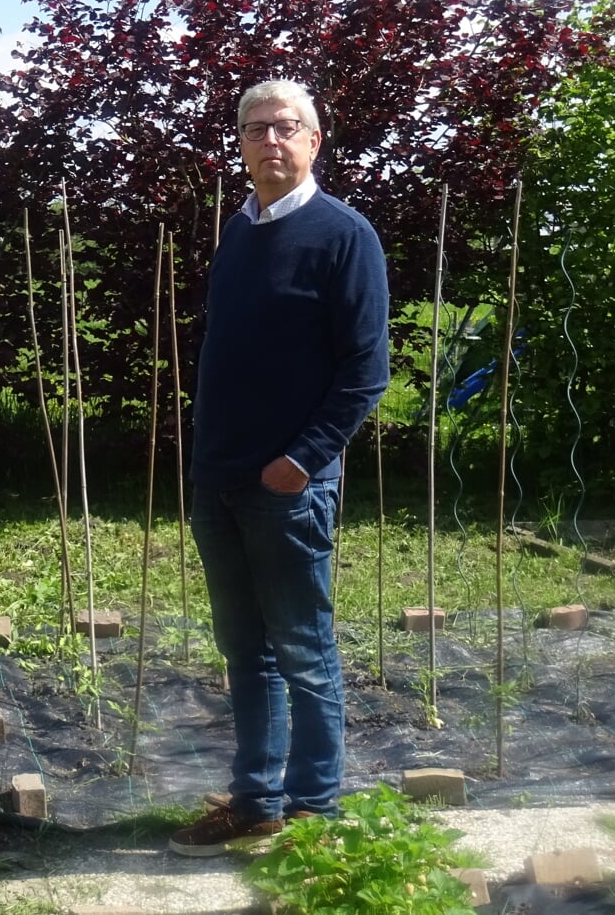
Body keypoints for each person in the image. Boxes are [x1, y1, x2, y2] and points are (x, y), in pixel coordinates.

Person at [169, 79, 390, 857]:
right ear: (240, 143)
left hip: (287, 486)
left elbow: (366, 370)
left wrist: (301, 461)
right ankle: (256, 799)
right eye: (255, 129)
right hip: (219, 479)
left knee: (303, 648)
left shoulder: (343, 235)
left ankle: (314, 811)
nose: (269, 141)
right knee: (245, 650)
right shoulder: (239, 231)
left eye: (285, 128)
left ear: (313, 141)